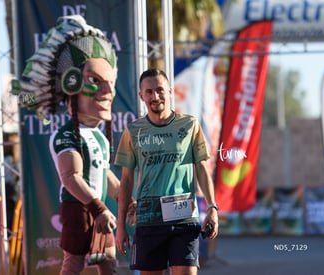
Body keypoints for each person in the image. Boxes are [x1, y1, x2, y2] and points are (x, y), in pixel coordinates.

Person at [12, 15, 124, 275]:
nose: (108, 91)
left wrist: (124, 200)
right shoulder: (66, 135)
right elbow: (71, 177)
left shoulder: (97, 135)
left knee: (108, 262)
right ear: (71, 82)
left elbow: (103, 172)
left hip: (97, 210)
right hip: (79, 210)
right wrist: (98, 208)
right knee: (74, 262)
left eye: (111, 83)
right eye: (95, 81)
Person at [115, 69, 219, 275]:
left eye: (160, 90)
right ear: (141, 96)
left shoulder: (189, 125)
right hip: (148, 220)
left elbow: (202, 168)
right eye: (149, 91)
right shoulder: (133, 131)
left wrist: (212, 207)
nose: (155, 96)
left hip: (184, 219)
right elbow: (126, 181)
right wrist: (120, 226)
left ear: (170, 91)